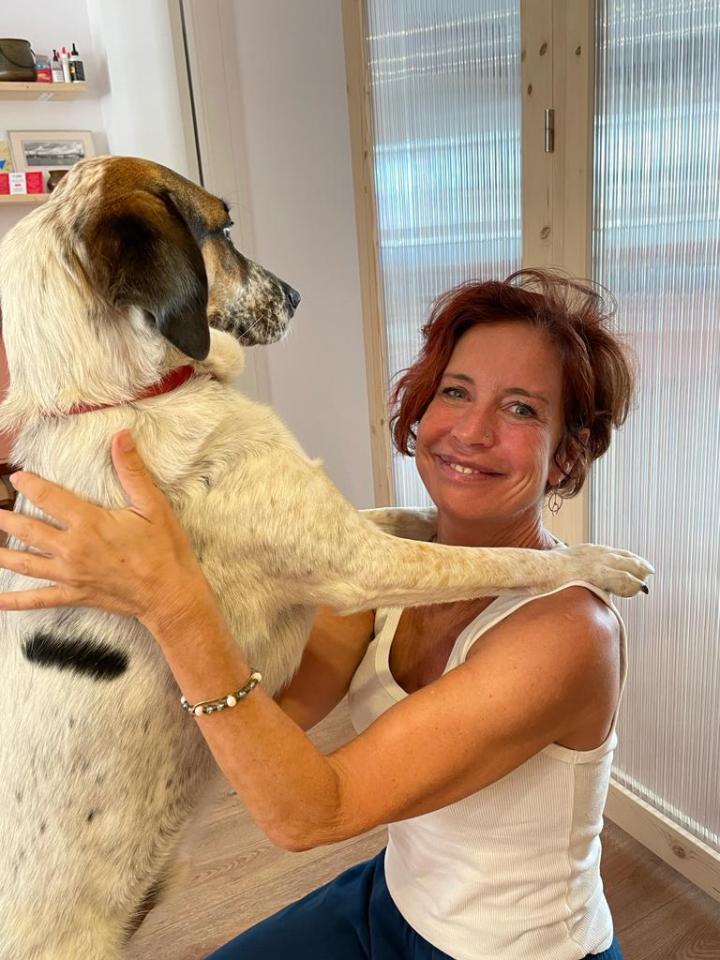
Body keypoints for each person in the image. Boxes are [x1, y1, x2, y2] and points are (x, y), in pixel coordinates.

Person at [0, 269, 639, 960]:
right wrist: (118, 588)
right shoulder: (394, 558)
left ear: (566, 454)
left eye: (520, 410)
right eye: (455, 392)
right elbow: (274, 718)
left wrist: (172, 600)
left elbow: (311, 811)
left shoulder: (569, 633)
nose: (472, 431)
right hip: (393, 901)